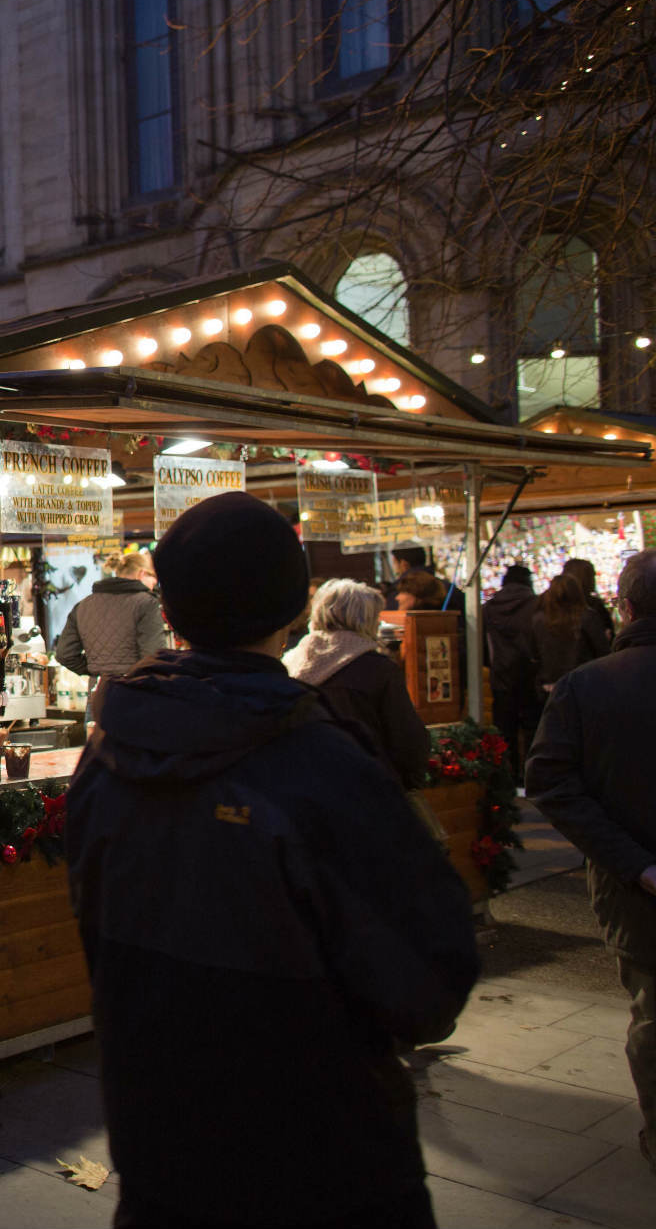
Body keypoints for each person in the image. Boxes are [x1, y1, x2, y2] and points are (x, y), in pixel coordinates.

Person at [67, 492, 479, 1227]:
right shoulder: (321, 766)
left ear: (174, 609)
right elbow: (427, 978)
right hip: (321, 1160)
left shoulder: (106, 758)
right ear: (293, 607)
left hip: (157, 1138)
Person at [527, 547, 656, 1177]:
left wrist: (636, 864)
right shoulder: (590, 682)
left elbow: (550, 782)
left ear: (626, 606)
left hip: (636, 890)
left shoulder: (591, 684)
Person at [284, 579, 431, 786]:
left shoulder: (289, 662)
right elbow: (408, 742)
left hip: (304, 786)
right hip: (367, 787)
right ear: (366, 619)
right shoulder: (377, 669)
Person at [53, 551, 167, 720]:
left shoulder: (84, 605)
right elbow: (153, 658)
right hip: (135, 696)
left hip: (98, 695)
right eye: (154, 578)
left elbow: (64, 654)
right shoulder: (147, 604)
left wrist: (96, 670)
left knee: (97, 743)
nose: (155, 584)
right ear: (142, 573)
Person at [483, 565, 542, 771]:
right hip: (531, 675)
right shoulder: (537, 605)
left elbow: (482, 645)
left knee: (505, 731)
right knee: (533, 729)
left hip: (501, 676)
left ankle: (508, 778)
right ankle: (531, 775)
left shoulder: (489, 608)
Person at [531, 571, 611, 696]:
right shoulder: (588, 617)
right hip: (584, 683)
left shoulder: (538, 620)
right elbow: (602, 651)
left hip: (549, 686)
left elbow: (534, 654)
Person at [562, 557, 617, 649]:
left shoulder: (553, 606)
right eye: (592, 576)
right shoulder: (594, 607)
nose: (595, 580)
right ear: (587, 579)